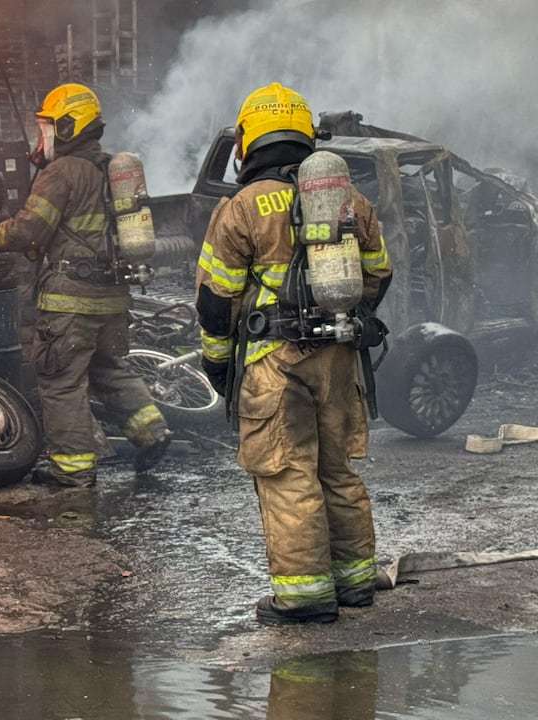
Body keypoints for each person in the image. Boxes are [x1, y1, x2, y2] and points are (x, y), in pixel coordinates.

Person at [194, 83, 392, 624]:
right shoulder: (349, 199)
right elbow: (379, 272)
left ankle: (304, 596)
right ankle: (355, 584)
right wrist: (345, 319)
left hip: (273, 362)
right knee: (337, 470)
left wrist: (216, 363)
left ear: (247, 143)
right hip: (340, 356)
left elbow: (217, 302)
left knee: (287, 474)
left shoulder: (239, 209)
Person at [0, 83, 172, 486]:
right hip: (112, 297)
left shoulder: (62, 172)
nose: (44, 137)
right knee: (110, 369)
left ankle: (71, 472)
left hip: (70, 299)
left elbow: (29, 232)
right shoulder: (110, 169)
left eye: (49, 128)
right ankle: (152, 431)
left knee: (62, 382)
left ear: (69, 128)